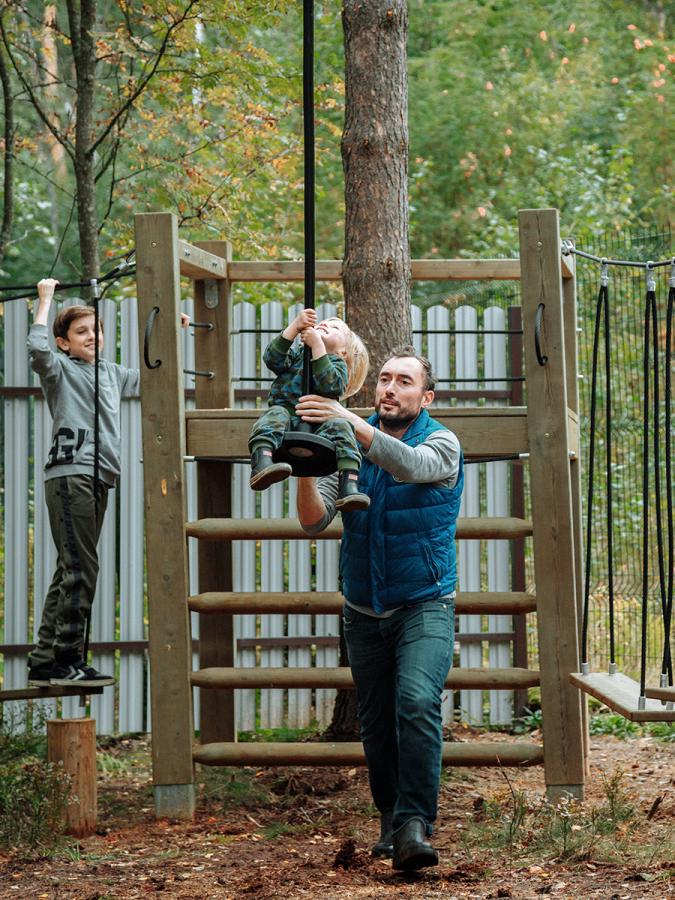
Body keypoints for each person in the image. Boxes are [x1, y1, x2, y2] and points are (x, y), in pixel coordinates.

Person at [295, 346, 463, 872]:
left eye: (404, 381)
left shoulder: (442, 443)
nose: (389, 388)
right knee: (375, 720)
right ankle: (391, 818)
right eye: (385, 379)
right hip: (363, 608)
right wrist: (304, 463)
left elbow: (408, 465)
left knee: (416, 701)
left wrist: (347, 419)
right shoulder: (346, 440)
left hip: (425, 603)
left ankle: (415, 823)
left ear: (425, 397)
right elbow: (314, 521)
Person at [26, 277, 188, 688]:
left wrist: (174, 331)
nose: (91, 336)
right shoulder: (60, 370)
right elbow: (37, 351)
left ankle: (45, 660)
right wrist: (45, 301)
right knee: (82, 567)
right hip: (71, 474)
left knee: (71, 568)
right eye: (81, 332)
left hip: (99, 477)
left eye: (95, 330)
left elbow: (155, 376)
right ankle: (67, 659)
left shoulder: (112, 374)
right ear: (64, 343)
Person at [249, 307, 370, 511]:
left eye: (335, 328)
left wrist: (317, 346)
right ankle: (262, 462)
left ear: (343, 352)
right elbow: (272, 359)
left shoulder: (337, 363)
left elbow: (330, 385)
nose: (325, 324)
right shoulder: (298, 355)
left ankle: (348, 484)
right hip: (287, 417)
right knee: (274, 415)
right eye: (324, 323)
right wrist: (295, 326)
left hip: (319, 425)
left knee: (343, 427)